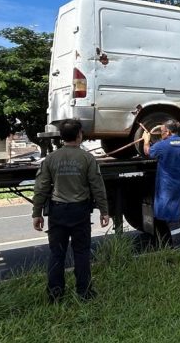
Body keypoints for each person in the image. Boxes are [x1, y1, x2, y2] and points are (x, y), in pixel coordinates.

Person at [32, 119, 110, 303]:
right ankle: (84, 293)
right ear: (79, 135)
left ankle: (55, 295)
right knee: (81, 252)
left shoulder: (51, 158)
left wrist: (36, 213)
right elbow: (97, 187)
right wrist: (104, 211)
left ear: (61, 136)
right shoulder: (87, 158)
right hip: (80, 211)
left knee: (56, 253)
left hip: (57, 212)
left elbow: (41, 187)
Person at [143, 119, 180, 248]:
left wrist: (146, 140)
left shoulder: (163, 145)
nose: (161, 134)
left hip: (169, 188)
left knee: (172, 219)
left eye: (162, 132)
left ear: (168, 132)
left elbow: (148, 152)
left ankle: (178, 247)